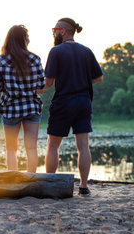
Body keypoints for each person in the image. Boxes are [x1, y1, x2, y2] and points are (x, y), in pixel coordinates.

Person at [39, 18, 103, 196]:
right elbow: (99, 77)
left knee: (52, 145)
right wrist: (81, 82)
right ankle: (83, 187)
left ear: (64, 31)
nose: (53, 33)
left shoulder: (56, 51)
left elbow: (49, 82)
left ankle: (50, 184)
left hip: (63, 102)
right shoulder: (86, 51)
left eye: (55, 29)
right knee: (83, 146)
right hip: (83, 101)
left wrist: (37, 89)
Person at [0, 25, 45, 172]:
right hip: (32, 107)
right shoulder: (35, 59)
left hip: (10, 108)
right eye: (27, 36)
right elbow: (41, 85)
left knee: (11, 149)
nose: (29, 39)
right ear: (24, 39)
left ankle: (13, 180)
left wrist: (8, 87)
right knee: (32, 147)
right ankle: (32, 178)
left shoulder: (0, 60)